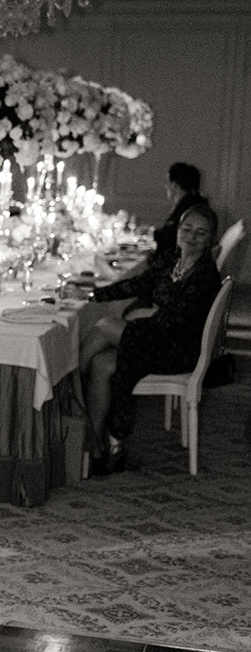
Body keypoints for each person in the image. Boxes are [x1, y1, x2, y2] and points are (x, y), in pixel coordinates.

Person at [79, 203, 221, 474]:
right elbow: (138, 284)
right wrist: (94, 296)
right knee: (102, 364)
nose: (191, 237)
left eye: (200, 233)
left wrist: (134, 322)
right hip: (156, 337)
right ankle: (97, 444)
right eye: (187, 229)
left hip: (176, 348)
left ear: (210, 239)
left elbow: (175, 325)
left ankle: (73, 388)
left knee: (105, 325)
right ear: (178, 231)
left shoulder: (205, 276)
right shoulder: (171, 260)